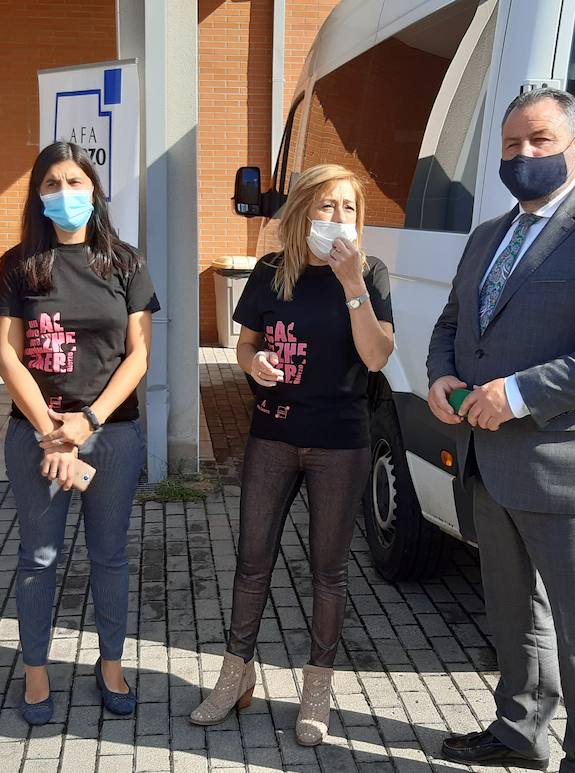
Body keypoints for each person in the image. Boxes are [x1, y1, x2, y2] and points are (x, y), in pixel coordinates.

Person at [425, 87, 575, 773]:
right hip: (492, 466)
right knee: (514, 618)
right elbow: (452, 325)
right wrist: (441, 376)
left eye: (539, 141)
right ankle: (519, 728)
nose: (523, 155)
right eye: (511, 144)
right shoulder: (486, 237)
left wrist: (521, 394)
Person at [190, 164, 395, 745]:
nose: (338, 219)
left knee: (328, 570)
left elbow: (377, 356)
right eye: (327, 207)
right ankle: (235, 675)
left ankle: (317, 688)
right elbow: (246, 343)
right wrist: (251, 364)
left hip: (340, 441)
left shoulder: (371, 274)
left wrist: (352, 283)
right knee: (252, 560)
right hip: (273, 433)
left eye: (349, 209)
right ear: (303, 211)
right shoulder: (271, 272)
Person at [0, 141, 158, 726]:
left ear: (95, 191)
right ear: (38, 195)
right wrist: (53, 433)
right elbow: (7, 358)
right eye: (53, 184)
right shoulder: (18, 265)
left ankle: (111, 664)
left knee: (110, 558)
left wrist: (86, 424)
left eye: (77, 182)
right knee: (38, 558)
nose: (66, 194)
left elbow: (138, 356)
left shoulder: (127, 263)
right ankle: (35, 671)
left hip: (112, 434)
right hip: (36, 436)